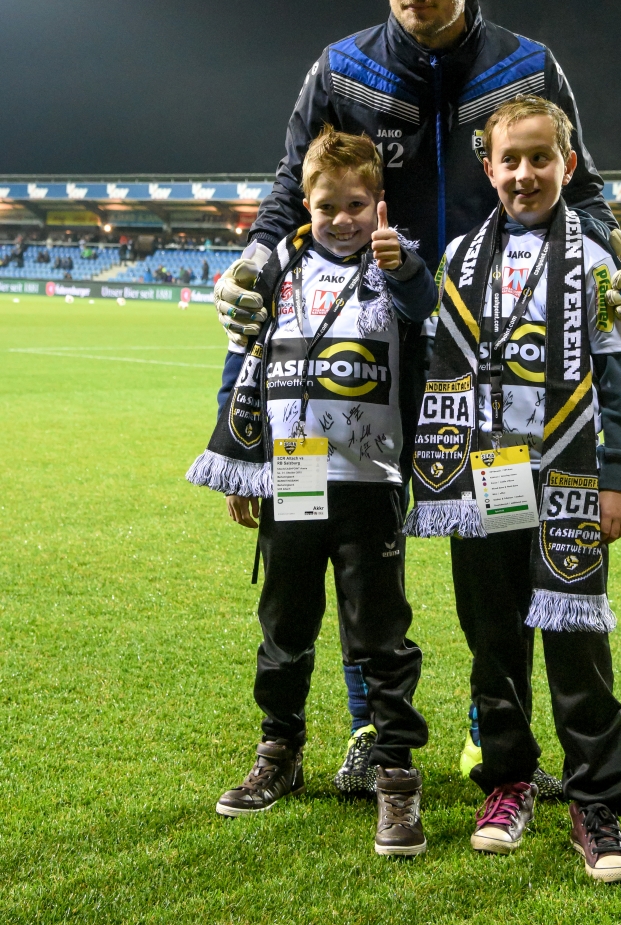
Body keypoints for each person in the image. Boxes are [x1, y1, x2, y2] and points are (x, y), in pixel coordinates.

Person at [211, 0, 621, 794]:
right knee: (348, 550)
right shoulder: (340, 68)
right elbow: (291, 189)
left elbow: (584, 188)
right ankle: (365, 733)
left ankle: (498, 739)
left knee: (493, 543)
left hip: (485, 363)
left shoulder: (527, 67)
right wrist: (254, 260)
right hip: (356, 353)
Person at [406, 96, 621, 877]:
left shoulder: (598, 257)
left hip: (567, 472)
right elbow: (440, 360)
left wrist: (617, 477)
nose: (525, 173)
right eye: (510, 159)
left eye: (541, 157)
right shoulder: (462, 257)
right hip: (486, 477)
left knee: (579, 642)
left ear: (567, 166)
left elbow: (618, 377)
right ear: (489, 168)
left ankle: (595, 801)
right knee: (495, 640)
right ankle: (508, 782)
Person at [187, 127, 435, 855]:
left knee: (381, 637)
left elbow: (426, 306)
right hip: (291, 479)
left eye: (357, 204)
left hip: (370, 483)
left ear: (378, 201)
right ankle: (280, 752)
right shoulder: (280, 269)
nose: (343, 218)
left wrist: (404, 263)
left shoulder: (395, 264)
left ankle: (395, 774)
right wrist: (239, 462)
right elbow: (244, 362)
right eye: (329, 205)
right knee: (284, 625)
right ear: (306, 203)